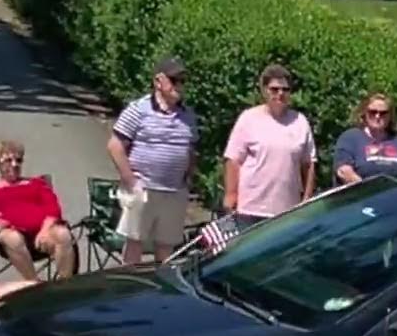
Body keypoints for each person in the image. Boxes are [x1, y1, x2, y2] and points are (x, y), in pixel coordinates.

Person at [107, 57, 200, 266]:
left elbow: (192, 150)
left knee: (167, 247)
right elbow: (115, 146)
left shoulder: (188, 116)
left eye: (183, 81)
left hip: (174, 191)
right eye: (175, 80)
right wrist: (131, 181)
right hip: (144, 188)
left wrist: (188, 179)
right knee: (135, 243)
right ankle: (128, 288)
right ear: (159, 81)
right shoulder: (138, 109)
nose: (180, 86)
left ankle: (160, 292)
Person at [223, 64, 318, 229]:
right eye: (274, 89)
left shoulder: (300, 121)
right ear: (264, 91)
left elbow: (309, 163)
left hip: (287, 210)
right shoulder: (249, 119)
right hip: (251, 208)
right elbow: (233, 160)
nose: (280, 94)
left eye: (285, 89)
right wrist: (231, 195)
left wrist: (307, 197)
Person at [0, 139, 75, 280]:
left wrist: (45, 230)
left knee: (63, 234)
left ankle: (66, 285)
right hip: (8, 239)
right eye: (8, 160)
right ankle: (34, 283)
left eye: (18, 160)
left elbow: (53, 210)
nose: (14, 164)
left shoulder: (37, 184)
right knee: (13, 238)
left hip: (41, 236)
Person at [333, 93, 397, 185]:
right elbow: (344, 171)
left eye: (383, 113)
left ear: (390, 116)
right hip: (362, 196)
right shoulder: (350, 138)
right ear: (364, 113)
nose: (377, 116)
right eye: (373, 112)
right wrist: (366, 188)